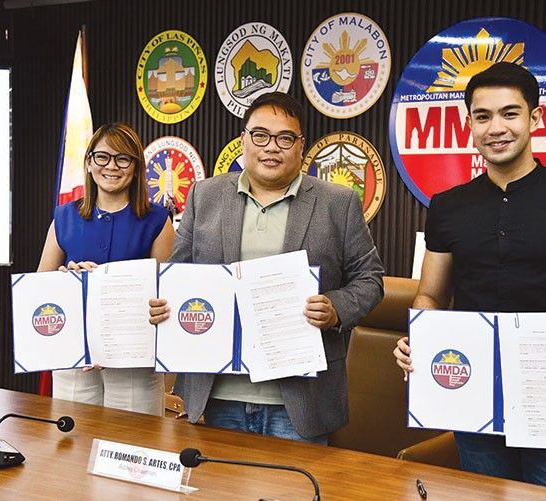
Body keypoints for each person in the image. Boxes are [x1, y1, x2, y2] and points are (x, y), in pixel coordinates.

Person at [393, 62, 546, 494]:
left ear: (535, 119)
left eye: (510, 113)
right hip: (473, 397)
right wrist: (420, 336)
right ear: (469, 123)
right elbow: (431, 295)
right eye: (483, 115)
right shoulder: (448, 206)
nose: (497, 127)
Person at [149, 92, 384, 443]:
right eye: (260, 135)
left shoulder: (338, 202)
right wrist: (161, 303)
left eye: (285, 138)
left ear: (301, 146)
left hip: (300, 401)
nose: (271, 147)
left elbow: (370, 279)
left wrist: (336, 308)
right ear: (243, 139)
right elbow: (178, 274)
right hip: (217, 396)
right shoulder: (204, 195)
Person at [38, 122, 174, 415]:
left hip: (133, 362)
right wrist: (64, 281)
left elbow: (167, 299)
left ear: (137, 167)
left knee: (133, 450)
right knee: (72, 447)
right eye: (102, 157)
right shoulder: (65, 217)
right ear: (88, 163)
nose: (112, 166)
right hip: (75, 359)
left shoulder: (158, 222)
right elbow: (39, 293)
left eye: (123, 158)